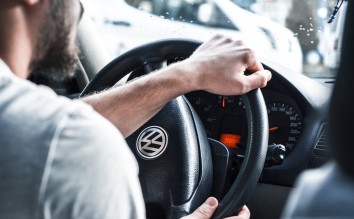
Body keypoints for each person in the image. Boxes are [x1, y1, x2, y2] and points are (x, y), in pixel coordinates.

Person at [0, 0, 271, 218]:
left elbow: (42, 132)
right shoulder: (76, 149)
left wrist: (190, 74)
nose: (80, 8)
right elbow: (58, 140)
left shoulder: (56, 139)